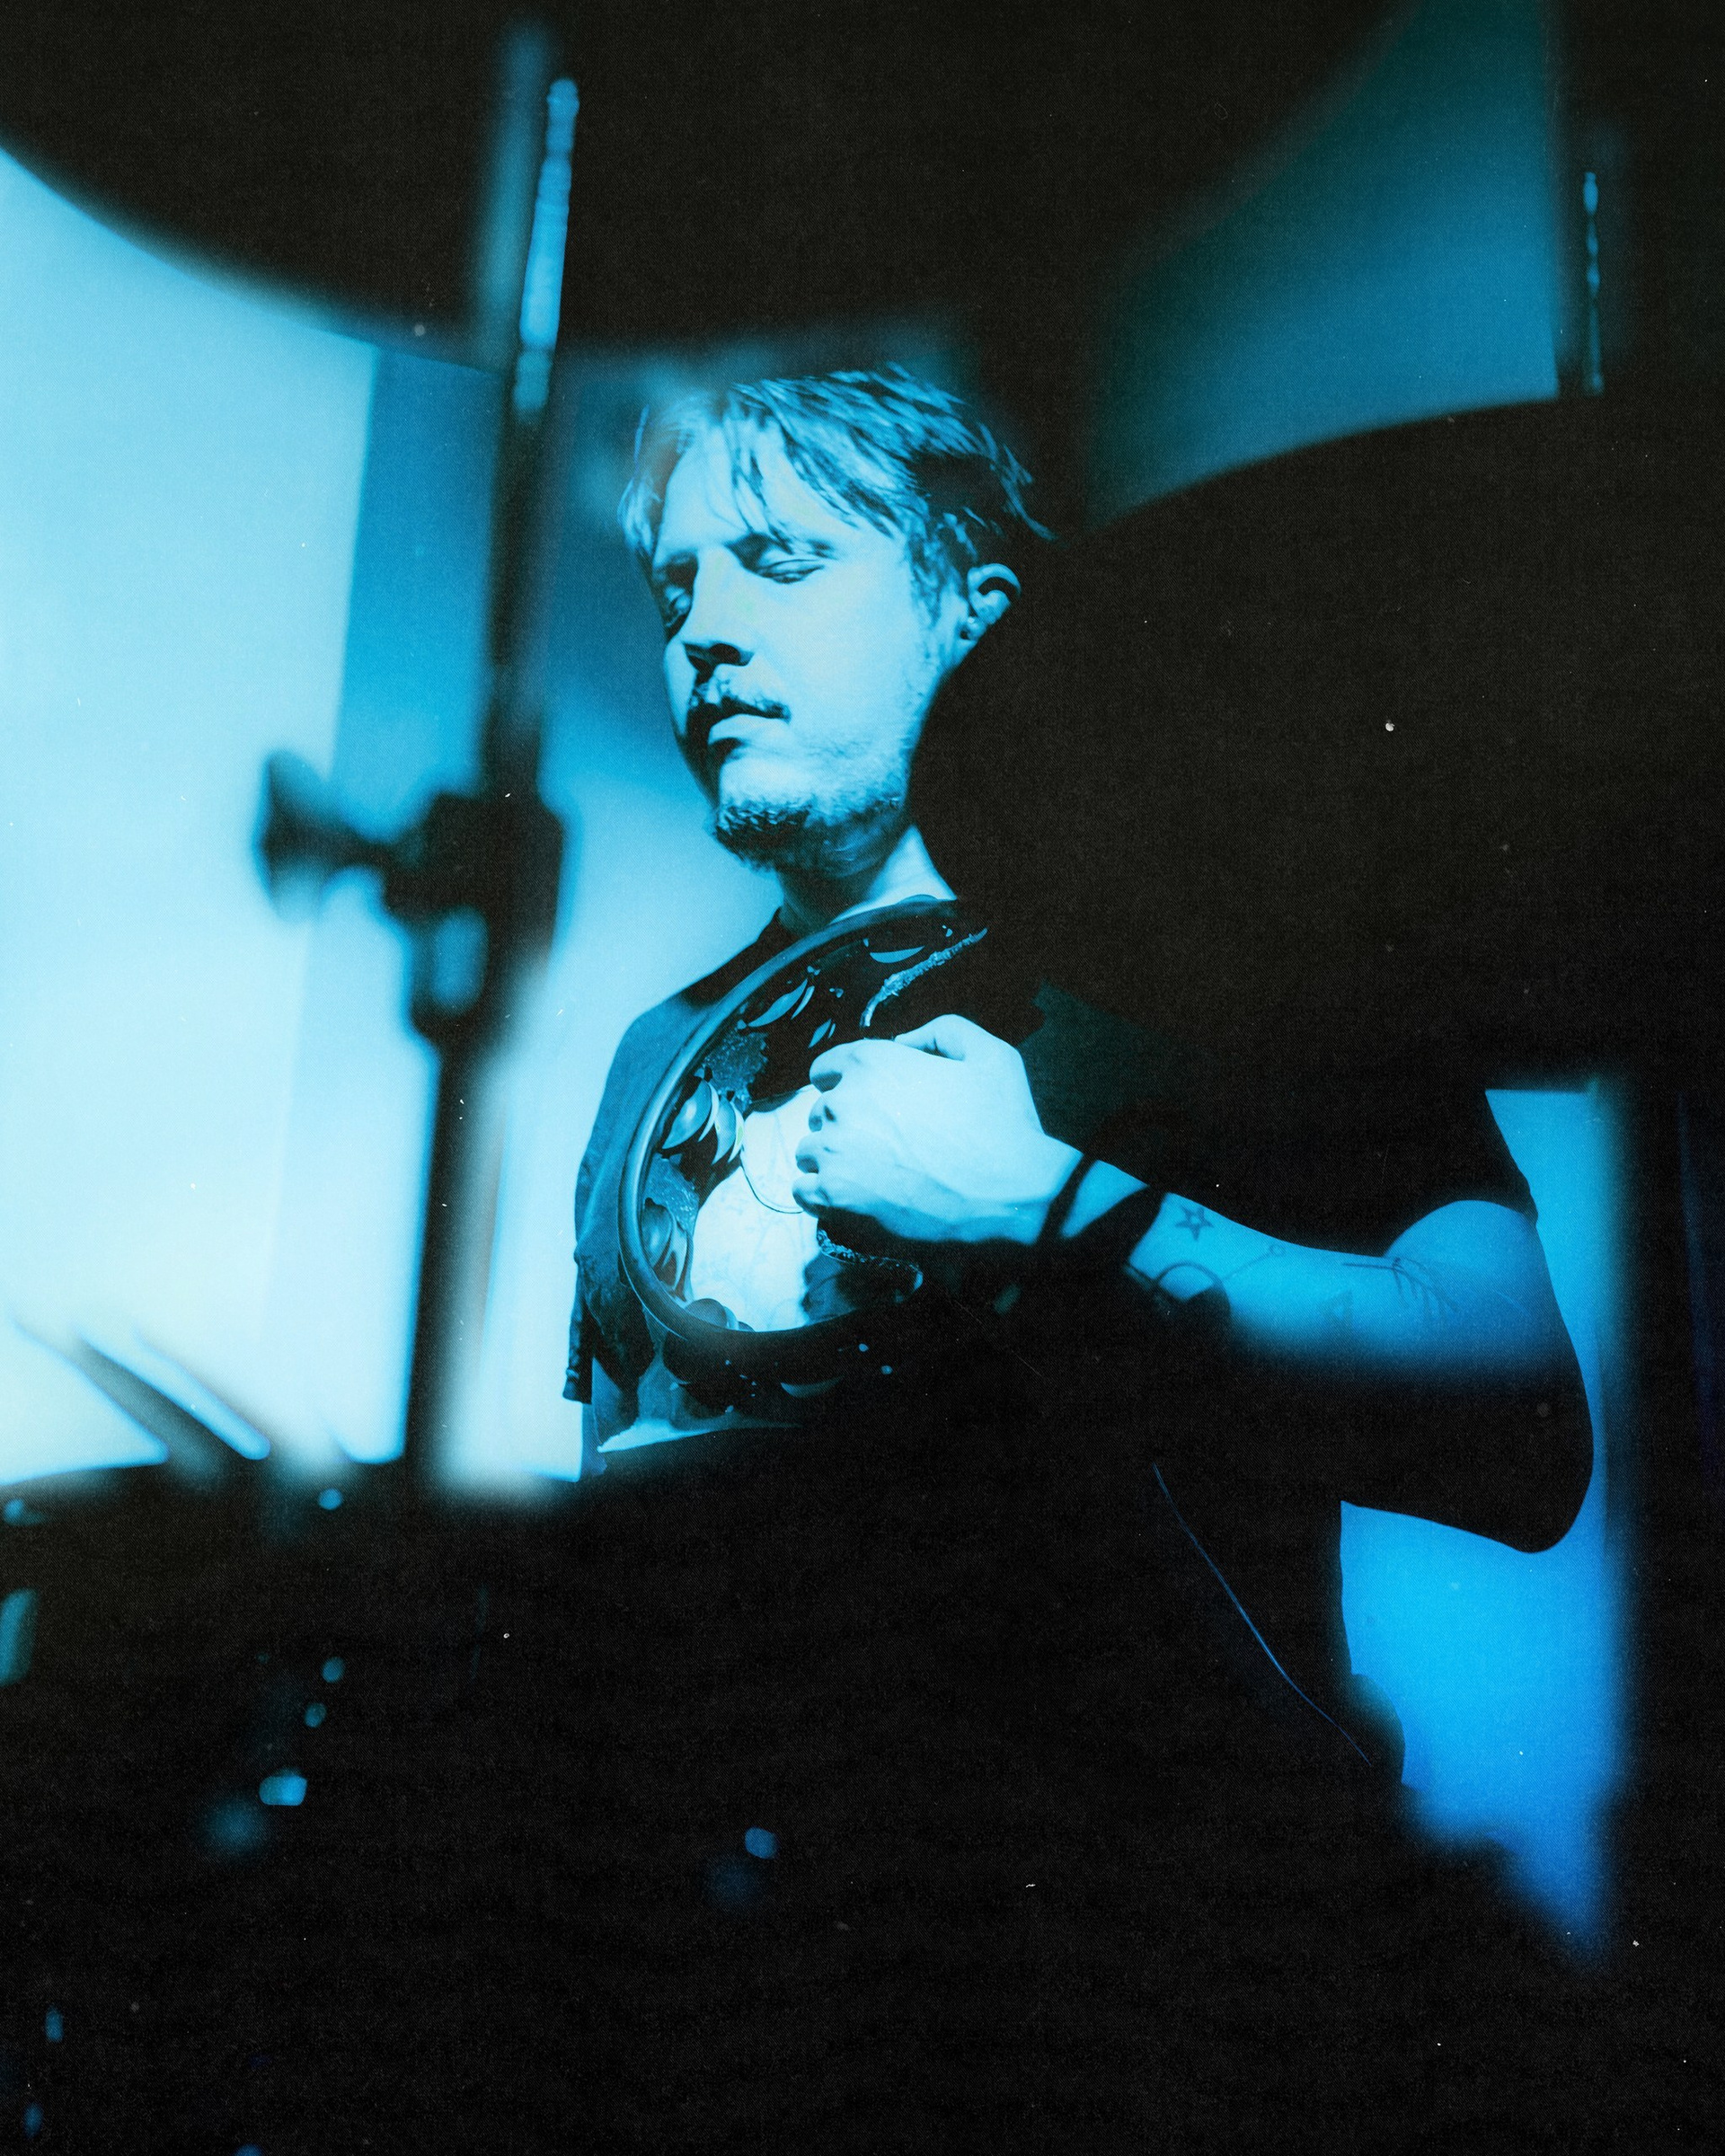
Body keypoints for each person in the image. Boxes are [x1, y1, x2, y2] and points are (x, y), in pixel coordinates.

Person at [559, 367, 1595, 2143]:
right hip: (739, 2008)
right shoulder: (654, 1056)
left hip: (1133, 2015)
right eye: (678, 586)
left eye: (783, 562)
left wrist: (1061, 1209)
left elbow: (1525, 1427)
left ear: (975, 615)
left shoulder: (1229, 961)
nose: (705, 631)